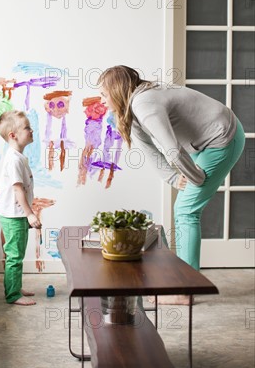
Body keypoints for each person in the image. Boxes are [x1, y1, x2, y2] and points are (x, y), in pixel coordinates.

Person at [98, 66, 245, 303]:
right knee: (184, 208)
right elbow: (151, 151)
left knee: (186, 210)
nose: (102, 100)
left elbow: (172, 150)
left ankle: (186, 290)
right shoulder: (134, 108)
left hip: (222, 137)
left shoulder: (143, 104)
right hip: (205, 141)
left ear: (117, 91)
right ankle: (182, 281)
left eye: (104, 94)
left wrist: (195, 177)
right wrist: (174, 178)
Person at [0, 110, 41, 306]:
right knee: (15, 255)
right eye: (27, 127)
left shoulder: (18, 157)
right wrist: (30, 214)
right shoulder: (14, 160)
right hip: (15, 215)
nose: (31, 130)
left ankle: (15, 286)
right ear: (13, 135)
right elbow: (18, 190)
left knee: (17, 253)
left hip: (16, 214)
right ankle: (13, 295)